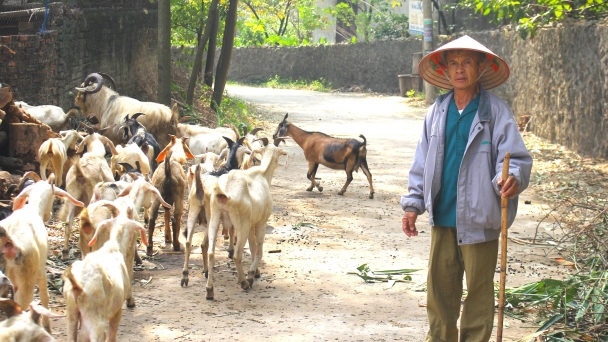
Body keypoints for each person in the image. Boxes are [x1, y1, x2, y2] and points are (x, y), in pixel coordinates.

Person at [400, 35, 533, 341]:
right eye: (454, 63)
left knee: (479, 296)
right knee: (440, 295)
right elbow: (421, 161)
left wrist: (510, 177)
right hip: (443, 217)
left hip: (480, 219)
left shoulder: (495, 112)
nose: (460, 69)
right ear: (445, 70)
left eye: (467, 62)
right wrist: (412, 204)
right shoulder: (436, 112)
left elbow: (516, 158)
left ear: (481, 67)